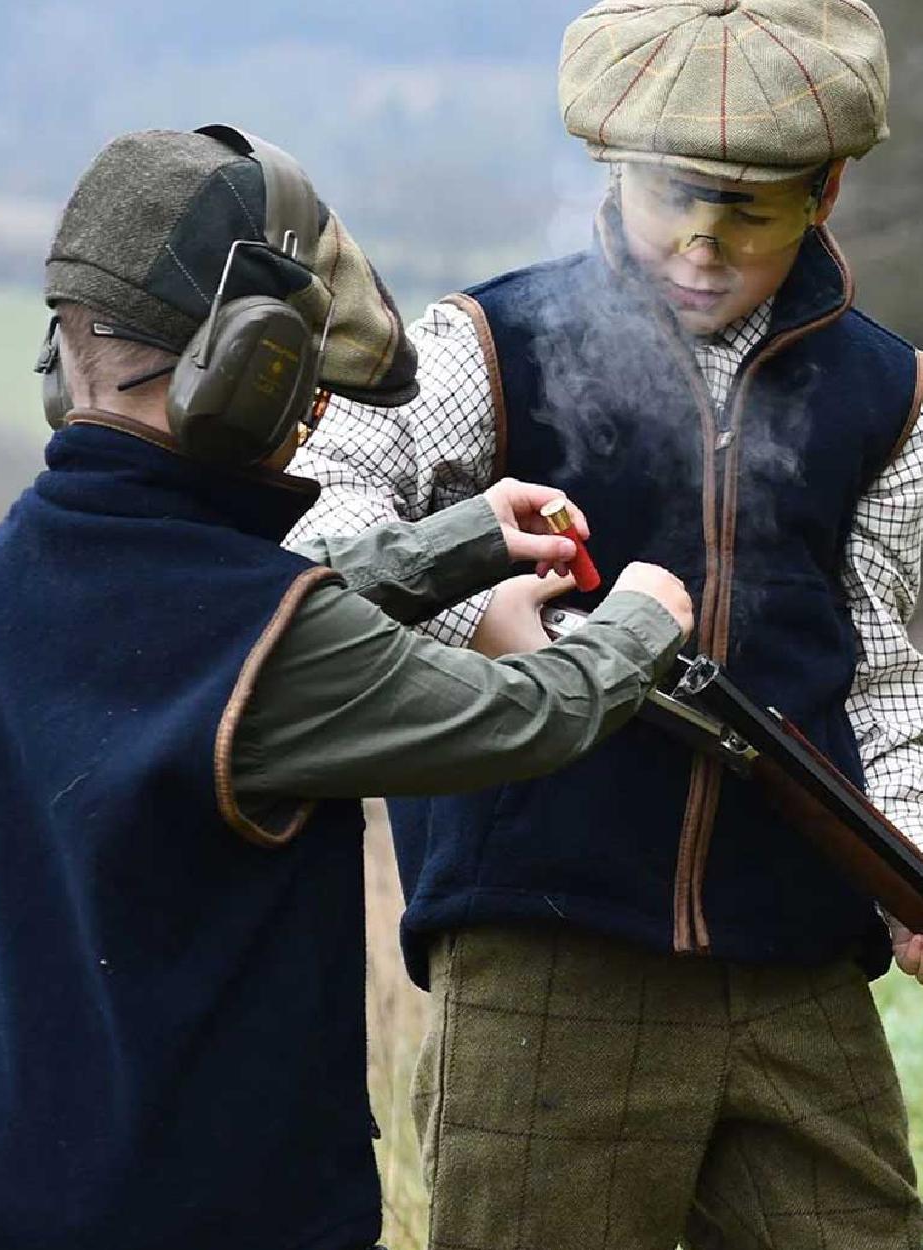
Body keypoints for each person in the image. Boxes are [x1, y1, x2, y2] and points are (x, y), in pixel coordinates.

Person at [0, 125, 692, 1250]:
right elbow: (525, 712)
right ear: (247, 370)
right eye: (302, 380)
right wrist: (644, 617)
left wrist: (461, 540)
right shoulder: (258, 635)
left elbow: (235, 621)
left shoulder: (12, 572)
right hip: (211, 1214)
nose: (313, 412)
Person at [287, 2, 923, 1246]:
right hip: (547, 956)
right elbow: (314, 537)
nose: (697, 241)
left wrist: (904, 861)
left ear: (826, 188)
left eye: (744, 205)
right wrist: (476, 619)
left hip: (797, 957)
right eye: (668, 194)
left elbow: (887, 667)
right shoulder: (487, 340)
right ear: (611, 166)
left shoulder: (889, 394)